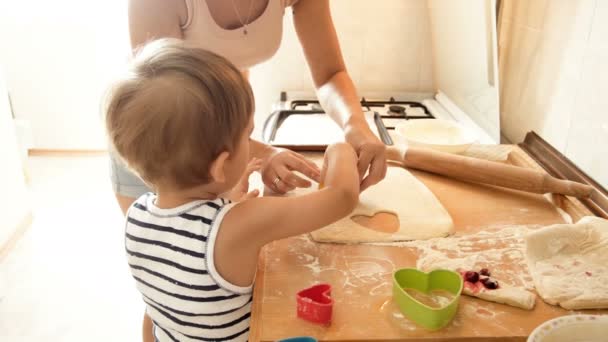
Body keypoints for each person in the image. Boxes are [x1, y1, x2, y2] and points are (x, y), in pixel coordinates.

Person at [105, 39, 359, 342]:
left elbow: (156, 314)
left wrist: (229, 202)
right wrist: (341, 147)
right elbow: (341, 198)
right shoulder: (236, 224)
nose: (253, 143)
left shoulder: (136, 216)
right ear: (220, 165)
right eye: (248, 135)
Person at [113, 0, 387, 214]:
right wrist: (264, 152)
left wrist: (357, 127)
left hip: (224, 138)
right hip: (158, 138)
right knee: (169, 263)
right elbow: (169, 115)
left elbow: (329, 73)